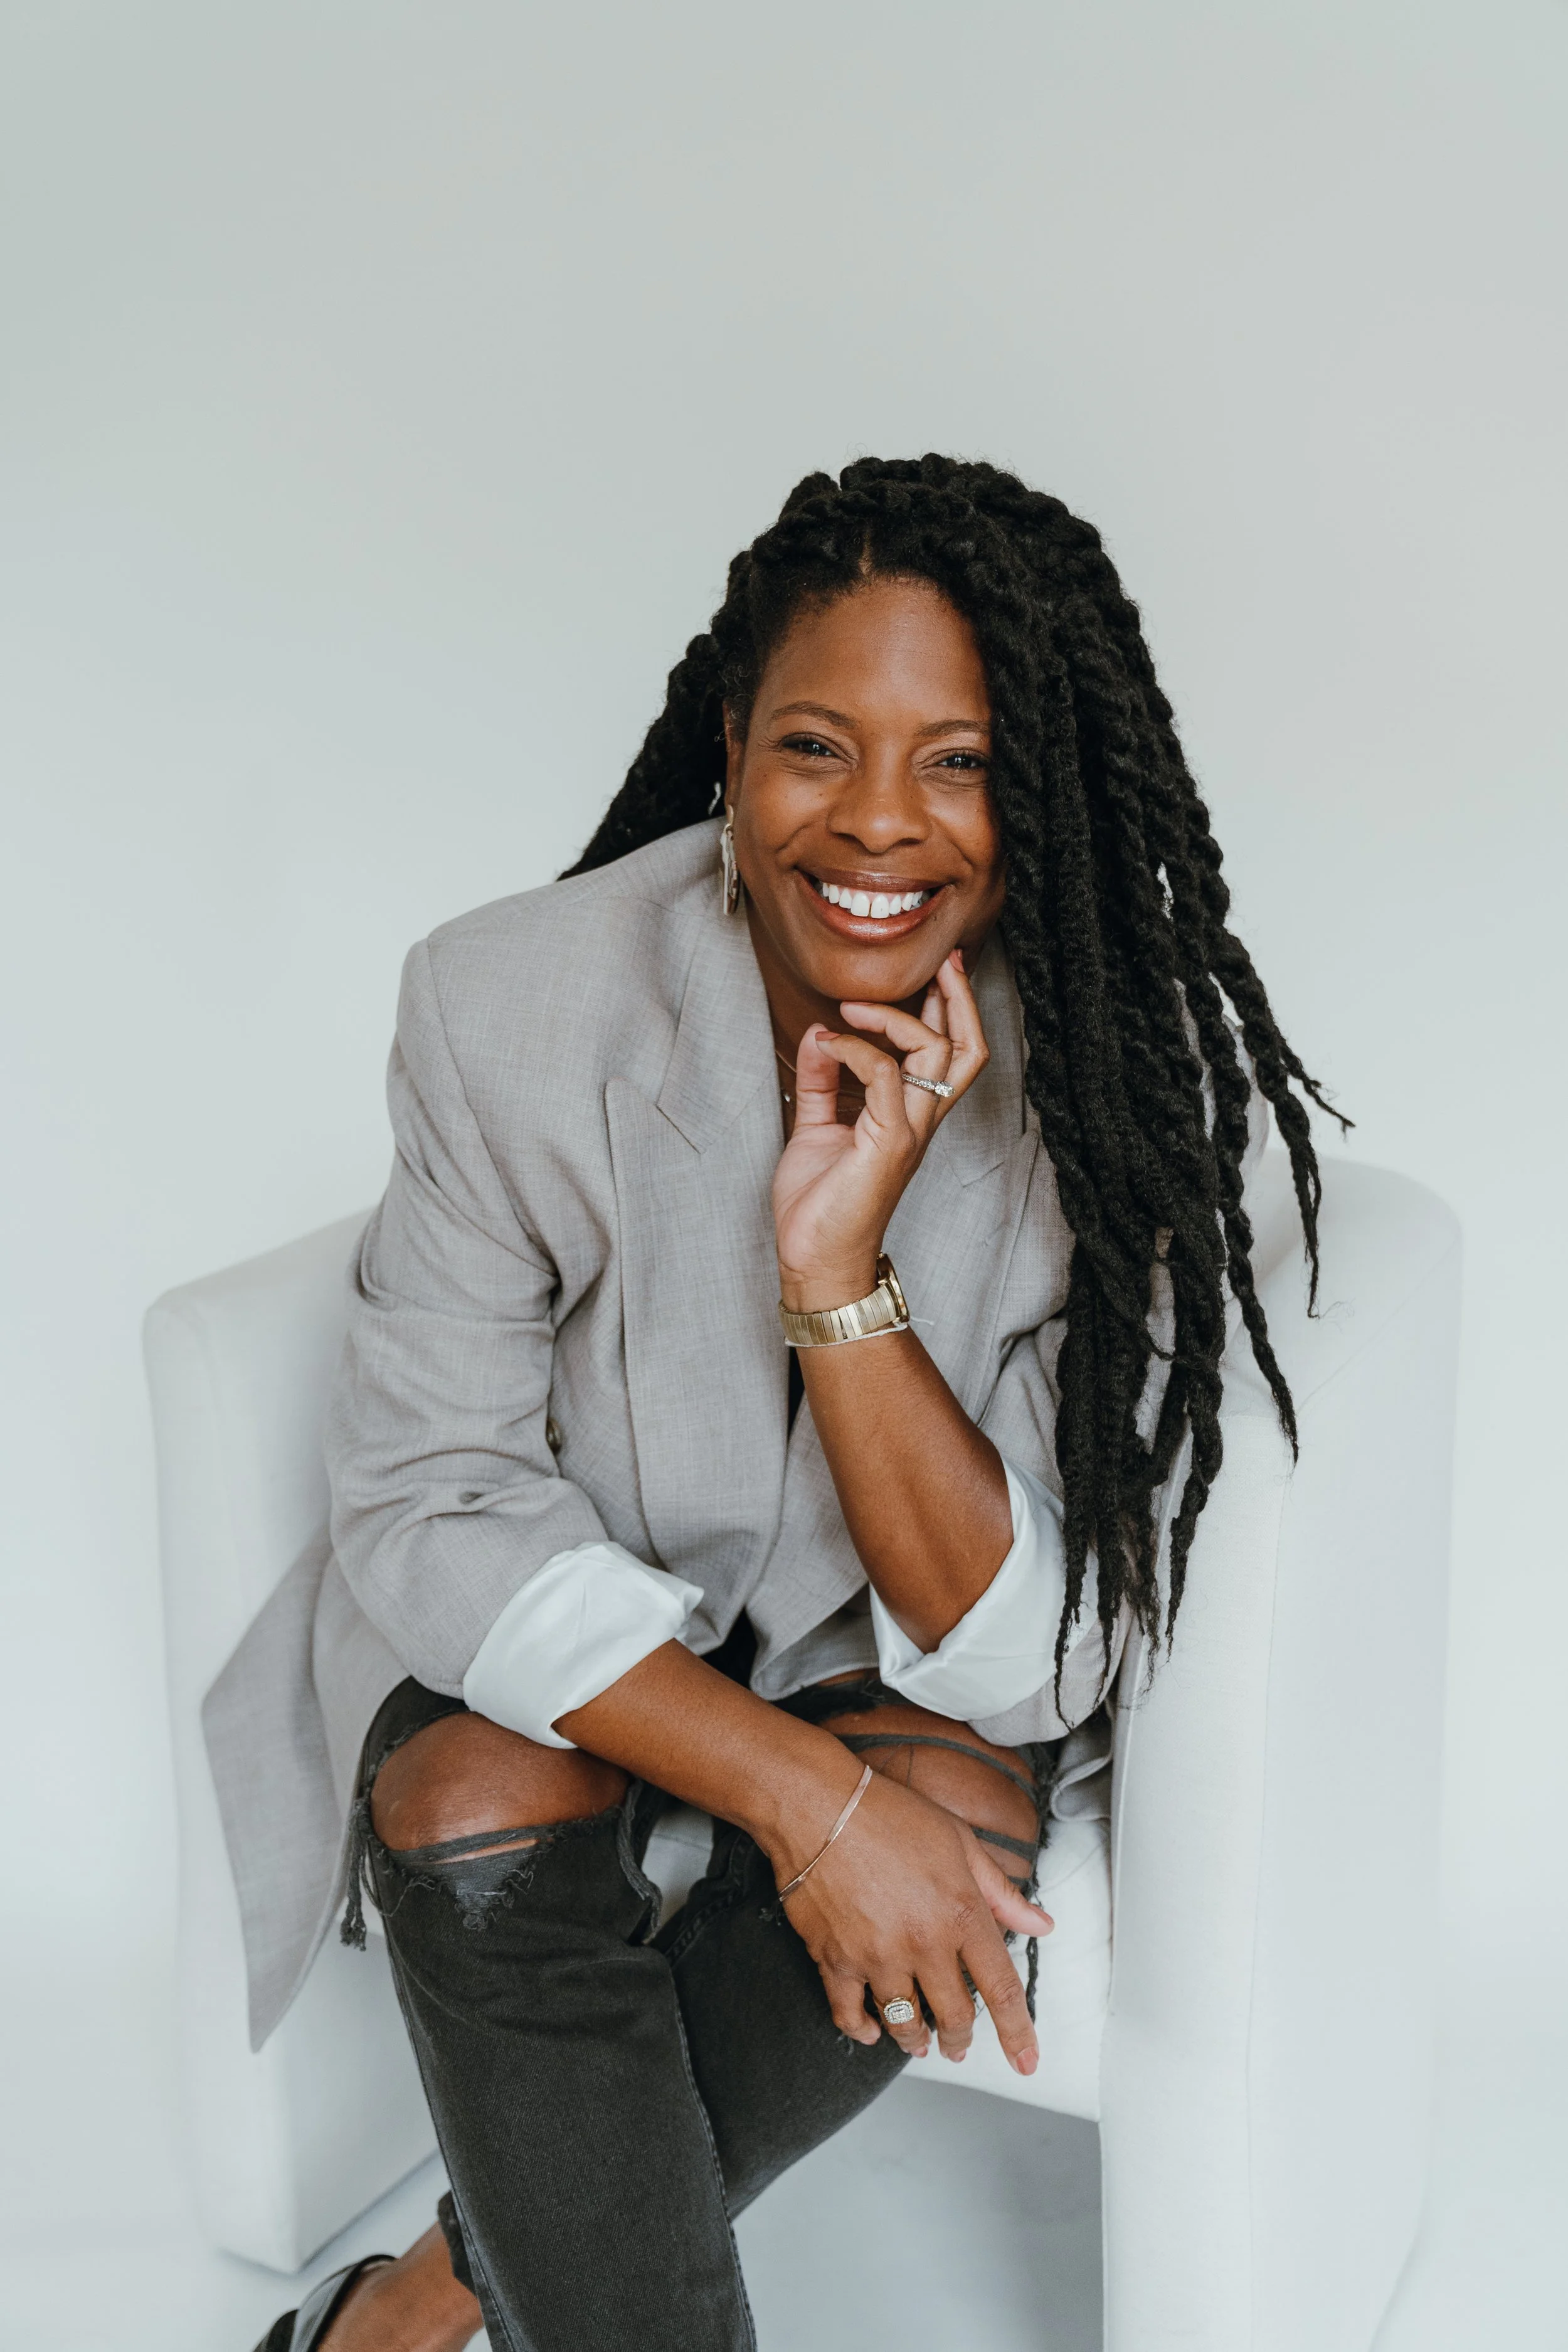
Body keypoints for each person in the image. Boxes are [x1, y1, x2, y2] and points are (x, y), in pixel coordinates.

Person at [249, 455, 1334, 2352]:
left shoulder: (1098, 1080)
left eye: (961, 761)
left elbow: (1024, 1661)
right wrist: (802, 1805)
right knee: (474, 1794)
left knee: (959, 1829)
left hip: (883, 1660)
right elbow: (428, 1499)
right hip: (560, 1619)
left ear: (1034, 790)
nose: (881, 825)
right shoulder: (505, 1004)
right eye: (818, 749)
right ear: (730, 752)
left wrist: (840, 1272)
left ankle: (412, 2310)